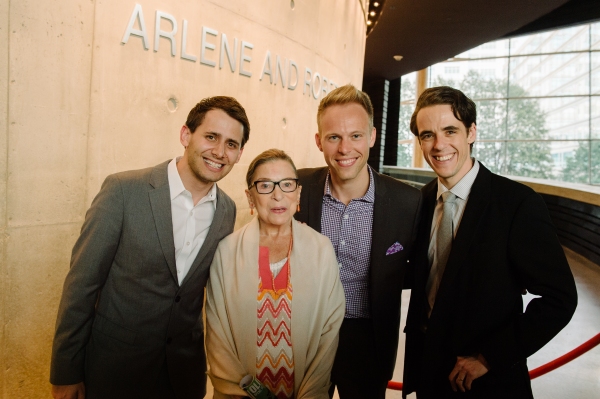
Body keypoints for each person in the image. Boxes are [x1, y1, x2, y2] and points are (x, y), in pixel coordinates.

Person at [50, 96, 250, 399]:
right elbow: (82, 285)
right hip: (114, 372)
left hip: (184, 375)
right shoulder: (123, 191)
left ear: (239, 154)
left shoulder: (227, 210)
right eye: (211, 137)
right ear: (186, 135)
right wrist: (66, 371)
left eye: (231, 144)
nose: (220, 152)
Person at [402, 86, 578, 398]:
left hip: (488, 382)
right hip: (429, 375)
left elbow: (560, 299)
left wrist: (489, 357)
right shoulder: (420, 201)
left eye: (450, 130)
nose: (439, 145)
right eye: (428, 134)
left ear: (471, 132)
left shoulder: (516, 204)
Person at [295, 84, 422, 399]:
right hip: (306, 334)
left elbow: (418, 272)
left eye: (355, 135)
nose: (344, 148)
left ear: (373, 137)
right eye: (334, 137)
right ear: (319, 141)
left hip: (370, 340)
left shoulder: (407, 201)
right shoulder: (296, 187)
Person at [205, 149, 345, 399]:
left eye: (287, 185)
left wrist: (310, 393)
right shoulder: (227, 251)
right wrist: (245, 391)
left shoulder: (321, 249)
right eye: (266, 185)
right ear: (250, 197)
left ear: (298, 193)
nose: (278, 195)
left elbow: (329, 331)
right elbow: (217, 336)